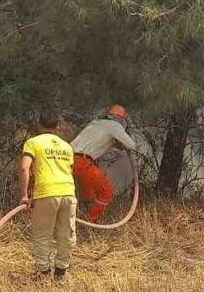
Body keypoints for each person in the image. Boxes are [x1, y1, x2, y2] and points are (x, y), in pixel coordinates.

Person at [19, 112, 77, 280]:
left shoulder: (33, 142)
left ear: (39, 125)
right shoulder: (67, 147)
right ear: (58, 126)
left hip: (46, 193)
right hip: (68, 193)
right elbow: (70, 171)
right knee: (66, 235)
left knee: (43, 234)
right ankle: (61, 272)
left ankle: (43, 273)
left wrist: (24, 195)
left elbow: (24, 168)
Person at [72, 104, 136, 223]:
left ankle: (81, 215)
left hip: (68, 157)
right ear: (121, 119)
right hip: (82, 161)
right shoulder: (115, 126)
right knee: (106, 191)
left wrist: (117, 143)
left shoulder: (96, 122)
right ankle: (90, 223)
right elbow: (131, 145)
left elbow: (98, 141)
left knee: (88, 194)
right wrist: (121, 141)